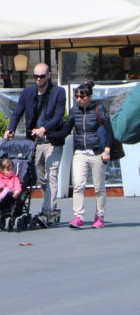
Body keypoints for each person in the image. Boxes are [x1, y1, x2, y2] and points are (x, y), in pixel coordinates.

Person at [4, 62, 65, 225]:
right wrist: (11, 129)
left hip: (52, 140)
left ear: (49, 75)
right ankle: (51, 208)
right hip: (34, 143)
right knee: (41, 178)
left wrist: (44, 128)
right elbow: (17, 112)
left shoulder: (58, 92)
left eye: (42, 76)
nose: (38, 79)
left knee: (52, 175)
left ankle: (47, 211)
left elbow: (58, 116)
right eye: (36, 76)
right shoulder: (28, 92)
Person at [61, 82, 112, 229]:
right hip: (80, 152)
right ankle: (78, 216)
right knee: (78, 185)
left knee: (99, 188)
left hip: (97, 152)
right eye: (76, 96)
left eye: (82, 96)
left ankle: (99, 216)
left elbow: (109, 130)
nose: (78, 99)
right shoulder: (74, 110)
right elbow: (66, 130)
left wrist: (107, 150)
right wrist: (48, 134)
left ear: (89, 96)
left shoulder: (98, 108)